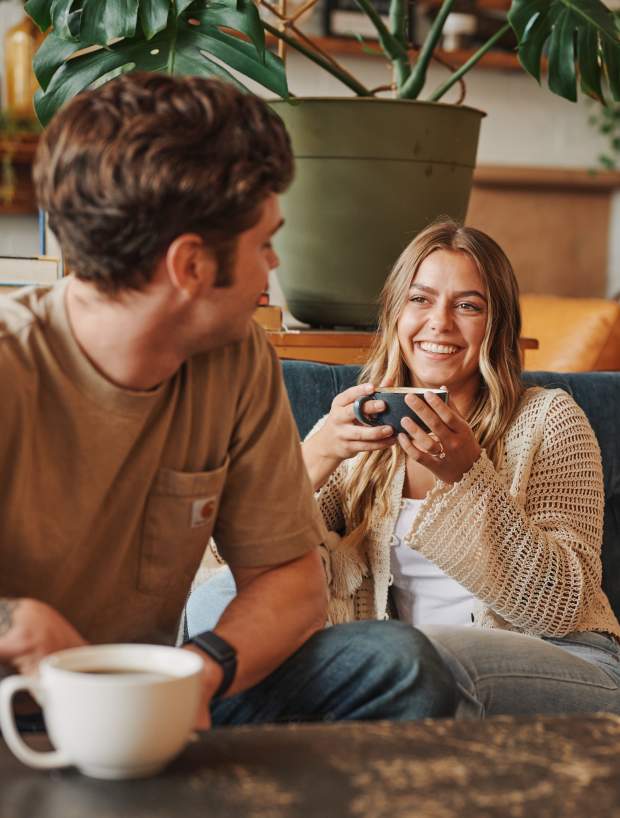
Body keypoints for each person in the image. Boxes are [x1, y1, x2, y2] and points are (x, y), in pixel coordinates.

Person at [0, 73, 457, 729]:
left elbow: (290, 582)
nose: (274, 266)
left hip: (150, 696)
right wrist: (15, 621)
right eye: (263, 242)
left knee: (396, 666)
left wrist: (202, 671)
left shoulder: (237, 359)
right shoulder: (12, 365)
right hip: (14, 697)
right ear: (190, 266)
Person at [188, 218, 620, 717]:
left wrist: (466, 476)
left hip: (569, 660)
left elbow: (560, 605)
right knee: (221, 603)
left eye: (468, 305)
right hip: (403, 666)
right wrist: (321, 453)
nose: (439, 321)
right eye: (420, 299)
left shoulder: (549, 418)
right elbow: (235, 552)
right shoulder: (365, 429)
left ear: (495, 324)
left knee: (408, 654)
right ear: (396, 313)